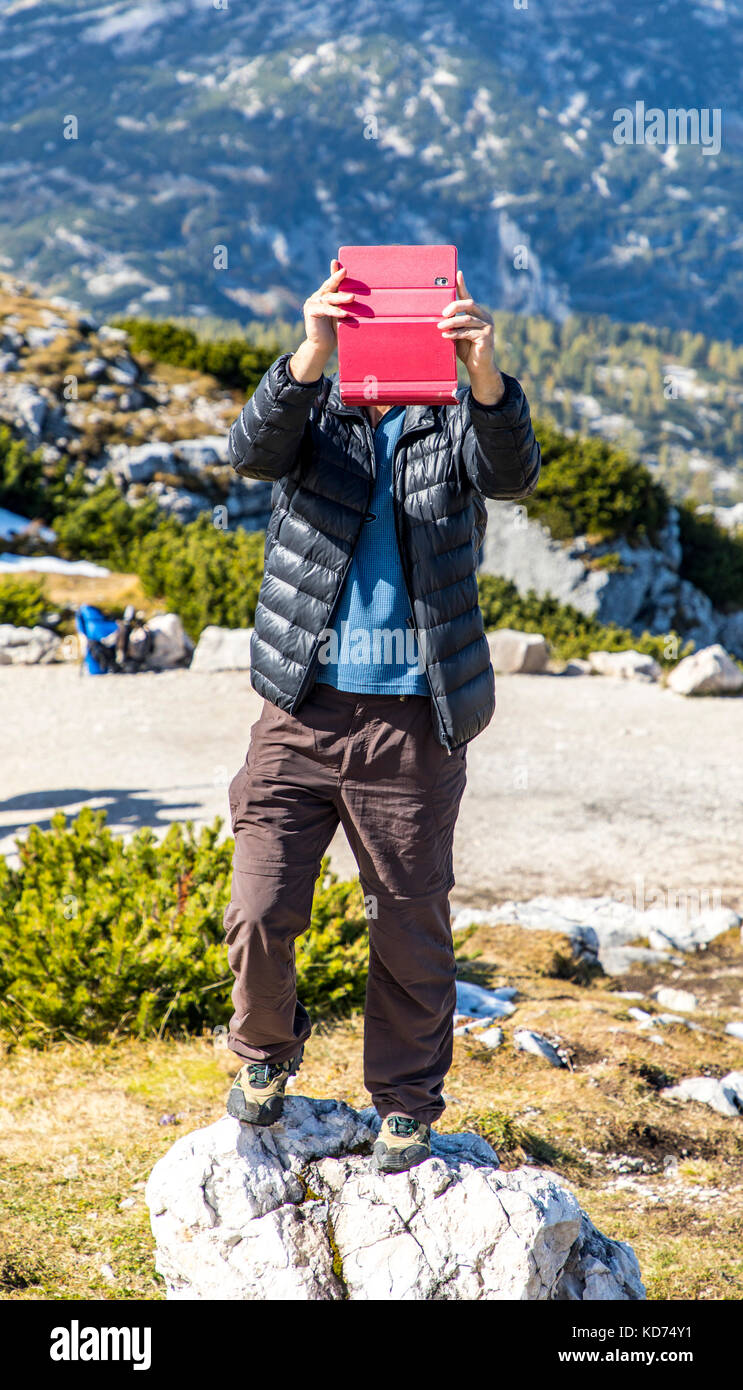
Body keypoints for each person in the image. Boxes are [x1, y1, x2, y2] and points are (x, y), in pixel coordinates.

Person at [222, 258, 541, 1173]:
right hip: (300, 712)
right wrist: (310, 352)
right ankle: (262, 1052)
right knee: (259, 906)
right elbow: (248, 451)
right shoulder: (311, 402)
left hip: (411, 720)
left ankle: (404, 1102)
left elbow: (511, 474)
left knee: (408, 924)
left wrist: (484, 375)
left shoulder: (452, 415)